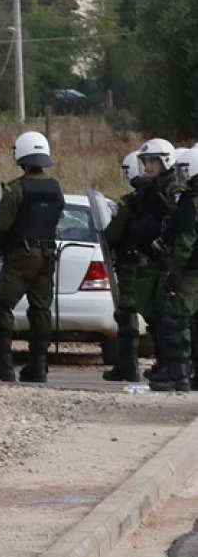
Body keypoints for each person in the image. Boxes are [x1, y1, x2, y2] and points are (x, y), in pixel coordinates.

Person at [0, 132, 64, 384]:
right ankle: (39, 366)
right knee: (41, 308)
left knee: (1, 306)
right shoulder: (55, 187)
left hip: (23, 255)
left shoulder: (16, 188)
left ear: (21, 155)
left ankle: (2, 365)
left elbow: (1, 224)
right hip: (48, 254)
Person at [102, 148, 167, 383]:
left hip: (132, 262)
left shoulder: (134, 201)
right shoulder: (157, 195)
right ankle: (164, 364)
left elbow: (114, 232)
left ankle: (128, 366)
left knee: (127, 313)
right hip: (150, 261)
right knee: (154, 315)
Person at [147, 142, 196, 392]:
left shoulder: (190, 203)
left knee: (174, 319)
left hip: (189, 272)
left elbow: (185, 244)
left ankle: (178, 375)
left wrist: (174, 275)